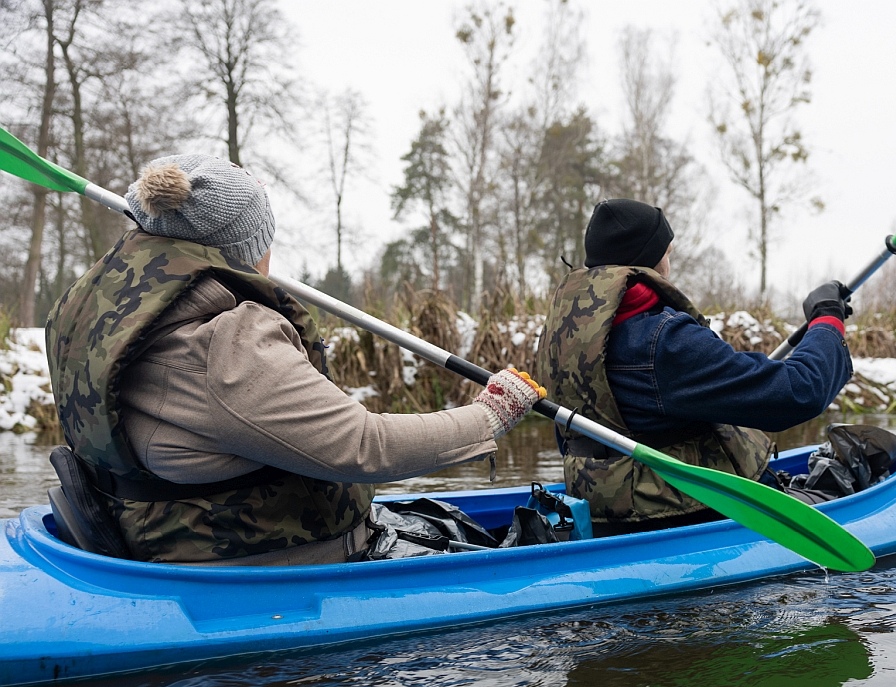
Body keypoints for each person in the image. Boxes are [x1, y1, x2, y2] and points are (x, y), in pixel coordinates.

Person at [45, 154, 545, 565]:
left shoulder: (94, 305)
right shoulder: (225, 343)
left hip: (148, 533)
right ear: (247, 248)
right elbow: (365, 447)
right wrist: (490, 415)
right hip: (245, 561)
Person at [538, 198, 853, 534]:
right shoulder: (662, 340)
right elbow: (799, 391)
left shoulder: (565, 338)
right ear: (650, 260)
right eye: (668, 253)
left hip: (604, 509)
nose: (670, 264)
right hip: (680, 512)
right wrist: (827, 318)